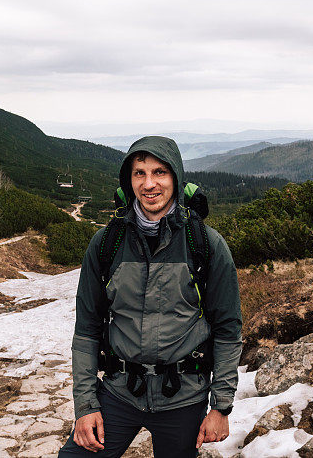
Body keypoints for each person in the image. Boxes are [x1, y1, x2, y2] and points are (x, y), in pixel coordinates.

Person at [59, 136, 242, 458]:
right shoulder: (106, 244)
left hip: (183, 398)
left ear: (176, 177)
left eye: (160, 172)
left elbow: (228, 331)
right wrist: (86, 405)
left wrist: (221, 407)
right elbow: (87, 329)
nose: (149, 184)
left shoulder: (206, 244)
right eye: (139, 173)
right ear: (128, 181)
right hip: (119, 393)